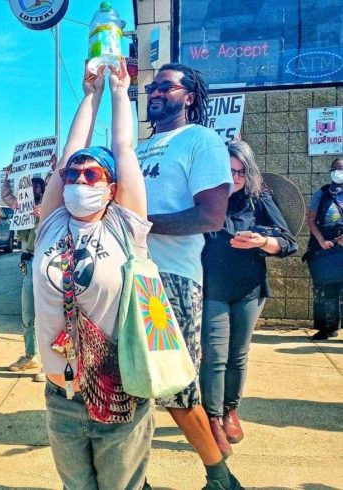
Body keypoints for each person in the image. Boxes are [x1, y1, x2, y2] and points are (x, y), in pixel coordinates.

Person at [34, 60, 154, 489]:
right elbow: (69, 152)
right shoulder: (51, 223)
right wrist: (90, 95)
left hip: (119, 392)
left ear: (111, 188)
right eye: (73, 174)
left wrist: (119, 91)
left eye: (91, 174)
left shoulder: (124, 227)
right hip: (61, 398)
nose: (79, 180)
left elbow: (124, 149)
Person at [136, 62, 241, 489]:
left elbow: (211, 216)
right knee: (128, 382)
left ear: (190, 96)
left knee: (175, 385)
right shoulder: (140, 147)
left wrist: (141, 226)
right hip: (129, 277)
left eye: (167, 86)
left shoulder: (201, 140)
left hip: (170, 281)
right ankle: (133, 477)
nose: (156, 92)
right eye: (152, 87)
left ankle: (220, 476)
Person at [200, 140, 297, 455]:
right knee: (214, 356)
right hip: (212, 287)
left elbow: (288, 241)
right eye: (230, 171)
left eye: (242, 171)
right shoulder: (204, 196)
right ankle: (212, 419)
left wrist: (263, 241)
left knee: (238, 355)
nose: (236, 178)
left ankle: (230, 410)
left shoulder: (258, 196)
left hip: (249, 289)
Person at [2, 172, 47, 381]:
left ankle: (50, 363)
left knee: (49, 315)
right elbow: (7, 197)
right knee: (28, 313)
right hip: (29, 263)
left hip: (46, 263)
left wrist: (44, 212)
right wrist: (7, 177)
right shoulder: (23, 206)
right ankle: (31, 355)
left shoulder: (51, 207)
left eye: (38, 186)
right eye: (32, 186)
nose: (35, 189)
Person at [304, 157, 343, 340]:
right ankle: (327, 328)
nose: (338, 172)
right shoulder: (322, 193)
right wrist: (320, 240)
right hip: (324, 247)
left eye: (341, 168)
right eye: (334, 168)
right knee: (325, 288)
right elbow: (311, 220)